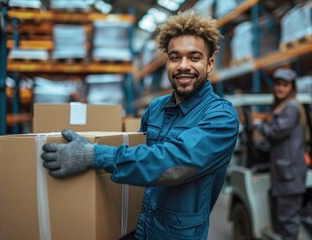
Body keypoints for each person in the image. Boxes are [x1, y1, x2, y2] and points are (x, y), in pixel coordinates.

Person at [41, 10, 239, 240]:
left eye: (194, 57)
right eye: (175, 57)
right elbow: (140, 158)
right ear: (167, 62)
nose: (183, 66)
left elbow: (174, 162)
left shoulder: (221, 117)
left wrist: (94, 155)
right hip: (139, 228)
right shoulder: (156, 108)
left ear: (210, 63)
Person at [256, 68, 307, 240]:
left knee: (288, 223)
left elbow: (276, 132)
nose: (280, 89)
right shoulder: (282, 106)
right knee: (282, 222)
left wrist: (259, 125)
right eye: (278, 84)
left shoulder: (291, 107)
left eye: (285, 85)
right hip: (285, 175)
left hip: (289, 176)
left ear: (292, 87)